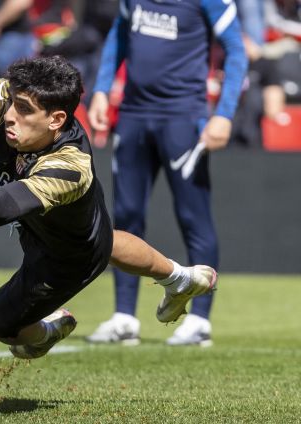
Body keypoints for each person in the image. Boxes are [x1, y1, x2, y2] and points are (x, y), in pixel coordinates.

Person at [0, 56, 217, 359]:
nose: (9, 115)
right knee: (108, 239)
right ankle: (179, 279)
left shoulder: (69, 166)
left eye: (23, 110)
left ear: (56, 120)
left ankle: (45, 334)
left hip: (64, 258)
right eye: (11, 104)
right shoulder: (11, 93)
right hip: (51, 224)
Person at [86, 0, 247, 346]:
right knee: (126, 217)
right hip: (132, 115)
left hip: (183, 119)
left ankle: (200, 320)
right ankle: (124, 317)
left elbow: (237, 50)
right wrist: (101, 89)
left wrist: (225, 113)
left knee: (193, 216)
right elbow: (119, 36)